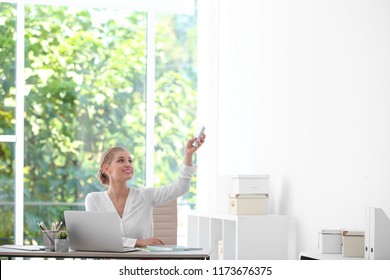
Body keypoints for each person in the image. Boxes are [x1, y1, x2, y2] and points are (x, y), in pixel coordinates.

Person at [85, 134, 206, 247]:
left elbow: (181, 187)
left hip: (140, 264)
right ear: (106, 169)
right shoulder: (94, 199)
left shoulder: (145, 195)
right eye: (121, 160)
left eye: (130, 161)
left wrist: (188, 155)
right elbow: (97, 238)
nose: (128, 164)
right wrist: (140, 242)